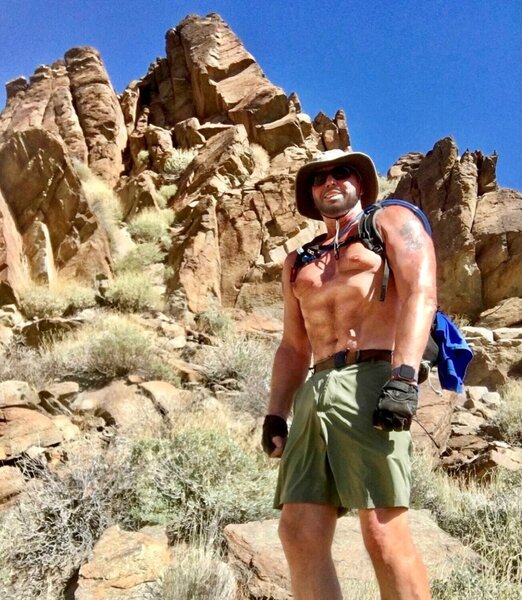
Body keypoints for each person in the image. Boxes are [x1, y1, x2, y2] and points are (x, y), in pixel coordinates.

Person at [262, 148, 437, 599]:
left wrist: (403, 376)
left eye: (342, 172)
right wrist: (275, 414)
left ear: (360, 182)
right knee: (298, 532)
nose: (330, 181)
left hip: (373, 377)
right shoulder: (298, 260)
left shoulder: (390, 223)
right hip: (315, 390)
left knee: (381, 530)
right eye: (318, 177)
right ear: (309, 192)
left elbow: (421, 293)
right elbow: (293, 346)